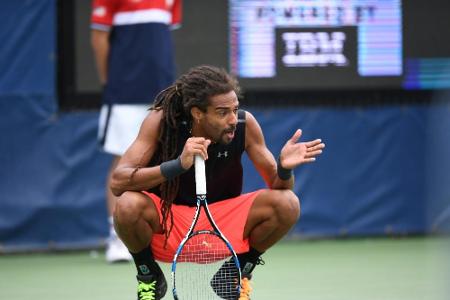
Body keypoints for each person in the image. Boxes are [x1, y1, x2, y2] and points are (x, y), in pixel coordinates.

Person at [111, 65, 325, 299]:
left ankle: (236, 273)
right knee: (127, 205)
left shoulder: (245, 125)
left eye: (235, 109)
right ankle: (148, 275)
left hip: (224, 222)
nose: (233, 119)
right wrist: (178, 165)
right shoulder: (161, 122)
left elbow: (279, 187)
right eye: (223, 112)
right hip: (169, 222)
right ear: (197, 113)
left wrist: (284, 169)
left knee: (288, 203)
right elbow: (118, 182)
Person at [90, 0, 182, 263]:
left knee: (164, 160)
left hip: (162, 92)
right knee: (123, 160)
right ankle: (117, 236)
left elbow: (161, 41)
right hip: (124, 92)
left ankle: (159, 235)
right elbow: (99, 38)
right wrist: (110, 82)